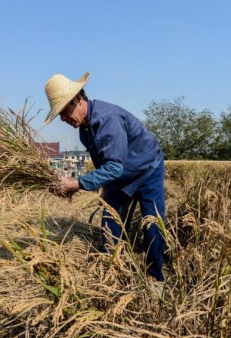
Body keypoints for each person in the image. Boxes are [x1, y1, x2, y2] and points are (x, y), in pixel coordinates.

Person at [44, 72, 166, 282]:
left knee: (152, 224)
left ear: (78, 99)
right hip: (121, 174)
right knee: (111, 225)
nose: (64, 119)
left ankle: (155, 278)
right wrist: (104, 187)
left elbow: (113, 168)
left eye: (65, 111)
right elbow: (106, 162)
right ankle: (115, 271)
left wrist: (75, 184)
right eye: (60, 116)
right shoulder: (84, 128)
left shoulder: (107, 120)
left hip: (147, 168)